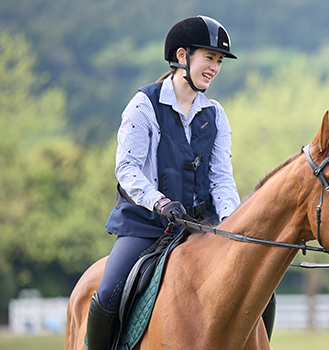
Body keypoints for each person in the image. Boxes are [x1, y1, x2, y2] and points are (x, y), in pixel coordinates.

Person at [85, 15, 275, 349]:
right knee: (108, 293)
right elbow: (127, 170)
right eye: (209, 57)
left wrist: (232, 223)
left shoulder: (215, 114)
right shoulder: (144, 105)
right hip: (146, 226)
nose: (214, 67)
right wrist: (160, 202)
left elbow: (221, 178)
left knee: (262, 291)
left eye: (218, 61)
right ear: (182, 56)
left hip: (203, 227)